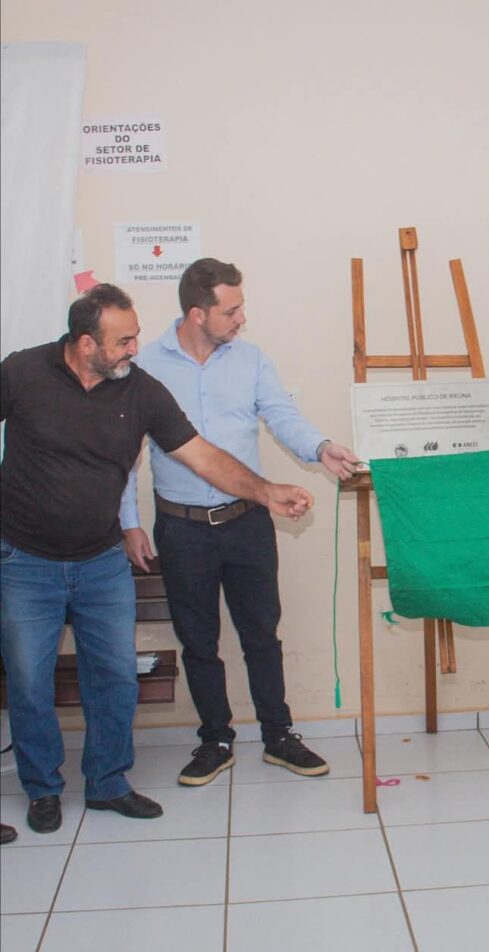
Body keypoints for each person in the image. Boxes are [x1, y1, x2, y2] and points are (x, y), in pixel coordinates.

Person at [0, 284, 313, 833]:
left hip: (101, 562)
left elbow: (202, 455)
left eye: (136, 337)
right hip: (26, 561)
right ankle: (43, 789)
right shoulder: (22, 372)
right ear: (85, 343)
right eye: (123, 341)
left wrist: (265, 492)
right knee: (29, 684)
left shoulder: (140, 391)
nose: (134, 348)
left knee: (116, 677)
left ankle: (107, 782)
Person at [120, 258, 359, 787]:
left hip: (247, 520)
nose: (241, 318)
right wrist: (130, 522)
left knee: (261, 633)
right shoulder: (147, 365)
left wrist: (320, 448)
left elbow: (282, 416)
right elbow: (124, 449)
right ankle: (215, 740)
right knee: (198, 640)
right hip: (181, 527)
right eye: (231, 310)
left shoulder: (250, 360)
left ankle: (278, 734)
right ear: (197, 313)